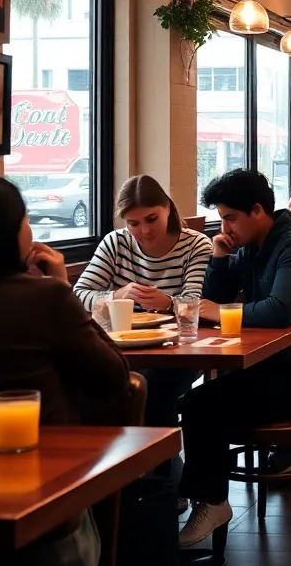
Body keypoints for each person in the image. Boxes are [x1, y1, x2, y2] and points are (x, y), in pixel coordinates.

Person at [0, 175, 131, 566]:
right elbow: (117, 380)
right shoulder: (43, 300)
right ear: (10, 232)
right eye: (26, 219)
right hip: (39, 542)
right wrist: (59, 287)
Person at [177, 170, 291, 546]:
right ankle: (195, 492)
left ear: (258, 210)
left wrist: (217, 310)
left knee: (200, 405)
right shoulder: (249, 245)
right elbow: (215, 296)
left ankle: (209, 500)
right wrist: (217, 256)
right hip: (272, 366)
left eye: (229, 217)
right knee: (196, 401)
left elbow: (278, 311)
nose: (224, 225)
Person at [74, 175, 211, 430]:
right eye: (133, 223)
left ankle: (158, 466)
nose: (144, 231)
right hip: (120, 347)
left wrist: (169, 303)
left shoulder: (196, 244)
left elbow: (197, 302)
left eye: (151, 219)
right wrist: (116, 296)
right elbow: (79, 293)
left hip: (177, 351)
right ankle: (115, 464)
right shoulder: (116, 243)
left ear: (167, 208)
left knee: (151, 389)